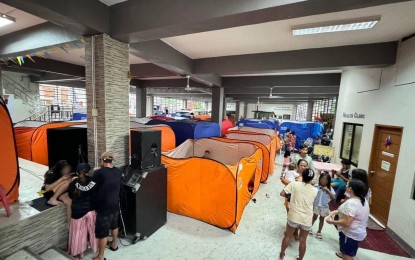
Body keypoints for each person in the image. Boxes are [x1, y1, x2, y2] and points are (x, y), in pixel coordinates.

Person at [279, 168, 318, 260]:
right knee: (303, 241)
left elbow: (282, 193)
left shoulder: (294, 184)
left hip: (294, 215)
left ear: (301, 176)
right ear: (312, 178)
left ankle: (282, 254)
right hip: (307, 218)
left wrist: (291, 196)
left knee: (287, 236)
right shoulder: (315, 190)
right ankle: (300, 258)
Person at [326, 180, 370, 260]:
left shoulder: (352, 203)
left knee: (347, 256)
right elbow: (352, 213)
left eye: (347, 185)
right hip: (355, 233)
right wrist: (336, 212)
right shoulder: (363, 200)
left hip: (350, 234)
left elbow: (346, 223)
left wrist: (331, 221)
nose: (345, 186)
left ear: (350, 189)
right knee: (346, 253)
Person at [93, 152, 122, 260]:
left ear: (103, 161)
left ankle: (100, 256)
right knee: (114, 226)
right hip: (115, 204)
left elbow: (92, 186)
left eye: (100, 160)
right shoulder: (118, 171)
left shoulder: (99, 172)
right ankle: (114, 245)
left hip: (104, 207)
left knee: (103, 232)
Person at [68, 163, 98, 259]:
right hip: (91, 211)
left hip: (78, 212)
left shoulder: (73, 183)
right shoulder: (94, 181)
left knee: (77, 233)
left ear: (77, 172)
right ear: (88, 171)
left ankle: (79, 254)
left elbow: (70, 196)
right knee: (93, 231)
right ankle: (96, 249)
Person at [310, 172, 336, 240]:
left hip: (324, 207)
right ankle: (309, 228)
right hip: (316, 205)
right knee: (314, 217)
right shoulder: (316, 186)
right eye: (322, 179)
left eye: (325, 180)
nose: (323, 181)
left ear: (328, 181)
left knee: (322, 219)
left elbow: (333, 197)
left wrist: (328, 190)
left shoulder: (330, 189)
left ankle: (319, 231)